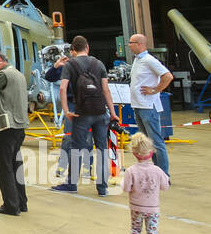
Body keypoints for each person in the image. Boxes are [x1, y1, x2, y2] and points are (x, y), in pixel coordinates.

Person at [53, 35, 117, 196]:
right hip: (100, 111)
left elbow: (62, 88)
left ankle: (71, 184)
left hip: (81, 112)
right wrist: (113, 113)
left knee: (76, 148)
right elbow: (105, 90)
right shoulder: (99, 63)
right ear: (87, 47)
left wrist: (66, 110)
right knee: (102, 149)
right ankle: (102, 188)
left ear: (73, 50)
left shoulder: (70, 64)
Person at [0, 49, 29, 216]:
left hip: (5, 128)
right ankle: (21, 202)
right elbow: (8, 97)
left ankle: (10, 205)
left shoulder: (4, 75)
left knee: (4, 166)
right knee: (16, 165)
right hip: (19, 127)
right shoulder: (18, 74)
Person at [122, 131, 169, 234]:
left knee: (136, 230)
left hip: (136, 207)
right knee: (152, 233)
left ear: (134, 153)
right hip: (153, 209)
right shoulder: (158, 170)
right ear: (151, 152)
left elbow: (125, 188)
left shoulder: (131, 171)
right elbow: (165, 186)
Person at [127, 33, 173, 178]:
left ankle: (164, 175)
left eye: (131, 42)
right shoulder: (137, 60)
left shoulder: (148, 60)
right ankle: (154, 171)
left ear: (140, 44)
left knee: (156, 142)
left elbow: (168, 76)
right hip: (139, 106)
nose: (129, 45)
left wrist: (154, 90)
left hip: (148, 107)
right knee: (147, 143)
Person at [48, 48, 93, 180]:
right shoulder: (68, 66)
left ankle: (86, 168)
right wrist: (56, 65)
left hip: (86, 106)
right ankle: (62, 166)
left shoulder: (93, 64)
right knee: (69, 137)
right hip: (73, 105)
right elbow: (49, 77)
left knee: (87, 137)